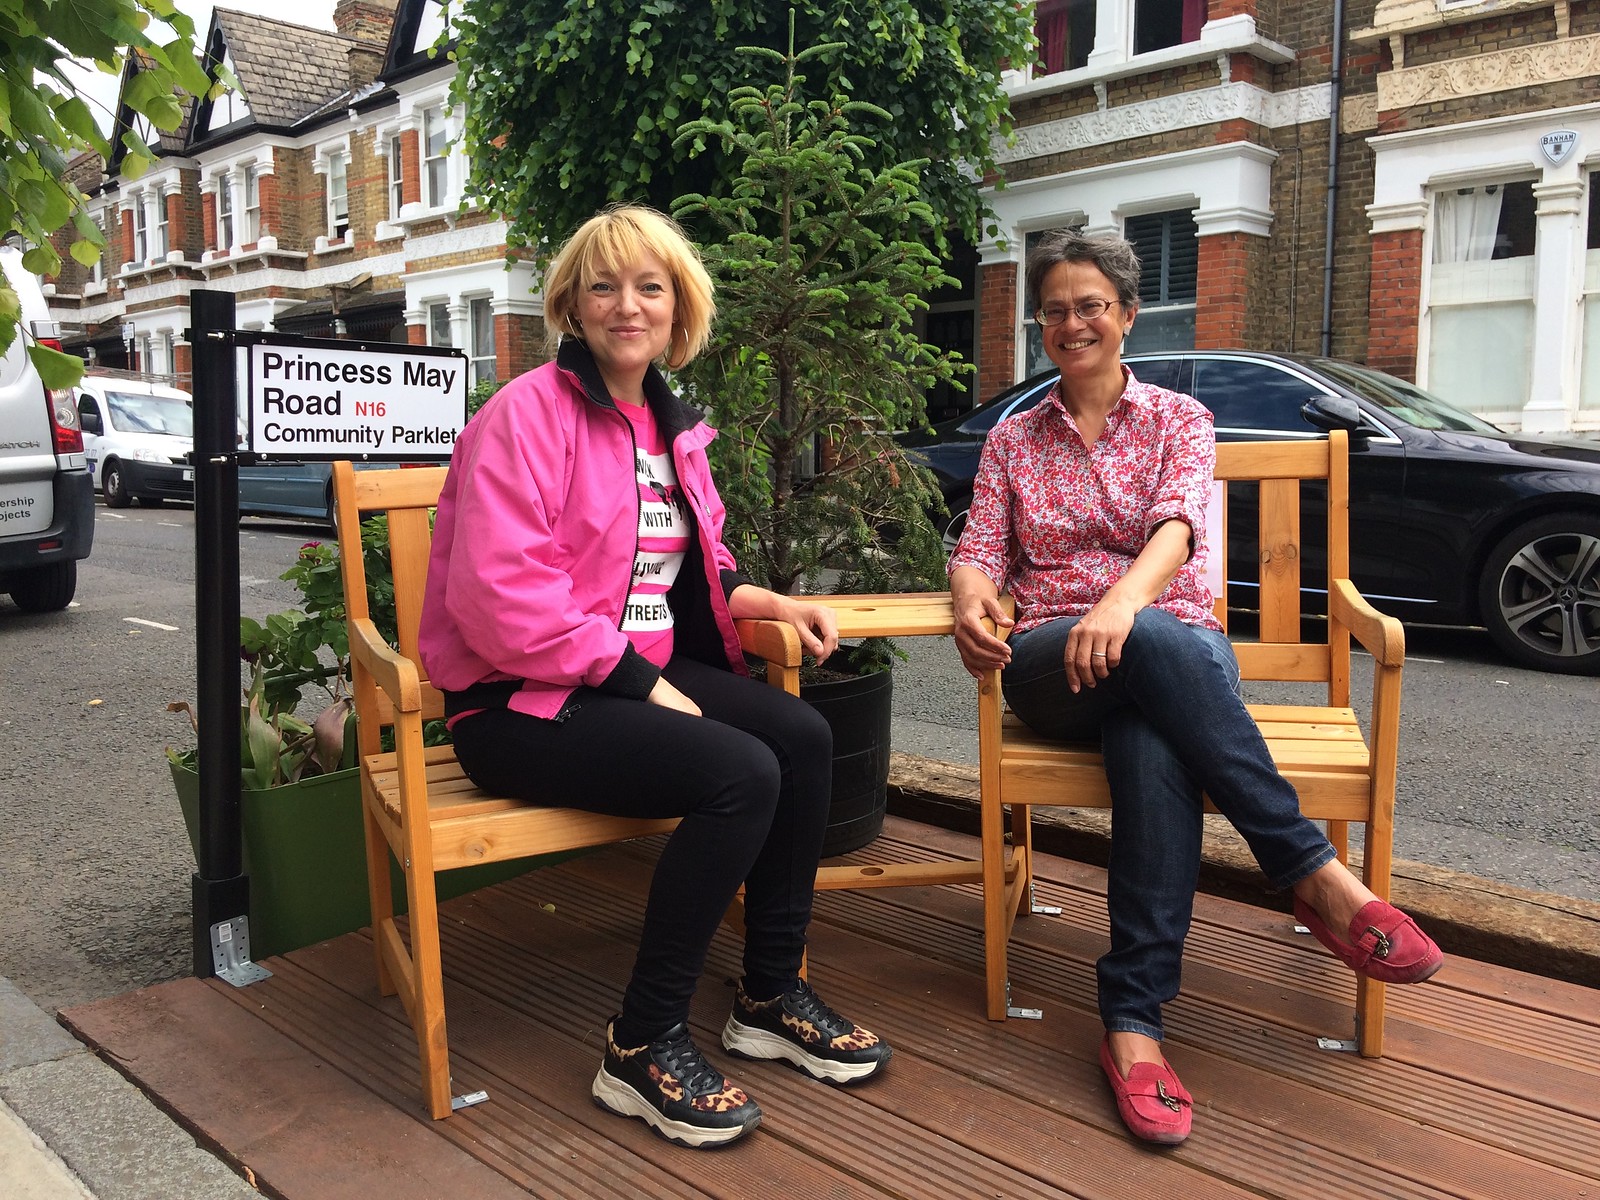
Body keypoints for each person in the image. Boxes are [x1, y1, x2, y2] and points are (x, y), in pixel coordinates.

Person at [947, 229, 1442, 1146]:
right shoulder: (1014, 435)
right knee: (1158, 667)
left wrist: (1123, 606)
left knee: (1152, 729)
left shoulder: (1181, 418)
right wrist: (974, 606)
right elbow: (978, 552)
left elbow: (1178, 527)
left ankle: (1133, 1026)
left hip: (1165, 644)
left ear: (1128, 316)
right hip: (1054, 662)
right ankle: (1312, 875)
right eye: (1054, 310)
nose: (1072, 323)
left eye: (1091, 305)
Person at [418, 204, 890, 1149]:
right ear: (571, 306)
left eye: (650, 286)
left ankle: (766, 993)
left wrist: (766, 605)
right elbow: (502, 597)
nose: (627, 305)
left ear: (680, 309)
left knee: (802, 737)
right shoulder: (524, 416)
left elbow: (688, 572)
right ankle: (640, 1041)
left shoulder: (670, 429)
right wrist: (634, 681)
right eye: (604, 285)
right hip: (517, 702)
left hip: (617, 676)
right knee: (740, 772)